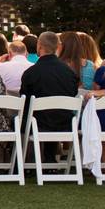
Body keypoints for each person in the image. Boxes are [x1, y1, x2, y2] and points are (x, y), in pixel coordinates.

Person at [18, 31, 79, 161]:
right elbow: (73, 94)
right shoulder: (70, 73)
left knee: (20, 120)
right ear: (58, 47)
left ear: (39, 46)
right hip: (66, 123)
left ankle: (25, 161)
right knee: (52, 114)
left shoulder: (31, 73)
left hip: (38, 124)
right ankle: (50, 158)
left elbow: (24, 102)